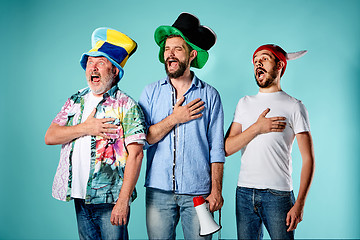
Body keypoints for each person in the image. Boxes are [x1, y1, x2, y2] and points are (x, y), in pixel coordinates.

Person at [45, 27, 146, 240]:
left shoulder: (126, 105)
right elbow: (51, 136)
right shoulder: (75, 100)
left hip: (110, 201)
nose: (93, 67)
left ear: (115, 70)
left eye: (101, 62)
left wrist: (123, 201)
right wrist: (86, 127)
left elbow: (136, 155)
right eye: (90, 62)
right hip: (80, 197)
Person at [138, 13, 225, 239]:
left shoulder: (210, 95)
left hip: (198, 192)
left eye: (177, 49)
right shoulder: (150, 92)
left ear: (192, 54)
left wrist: (216, 189)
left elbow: (217, 148)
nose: (170, 55)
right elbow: (144, 139)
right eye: (167, 49)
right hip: (158, 191)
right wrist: (175, 118)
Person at [225, 44, 315, 240]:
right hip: (244, 194)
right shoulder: (244, 103)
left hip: (278, 196)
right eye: (256, 61)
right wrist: (257, 128)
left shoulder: (294, 106)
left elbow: (308, 159)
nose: (258, 63)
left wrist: (299, 203)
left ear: (280, 65)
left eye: (264, 58)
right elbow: (227, 148)